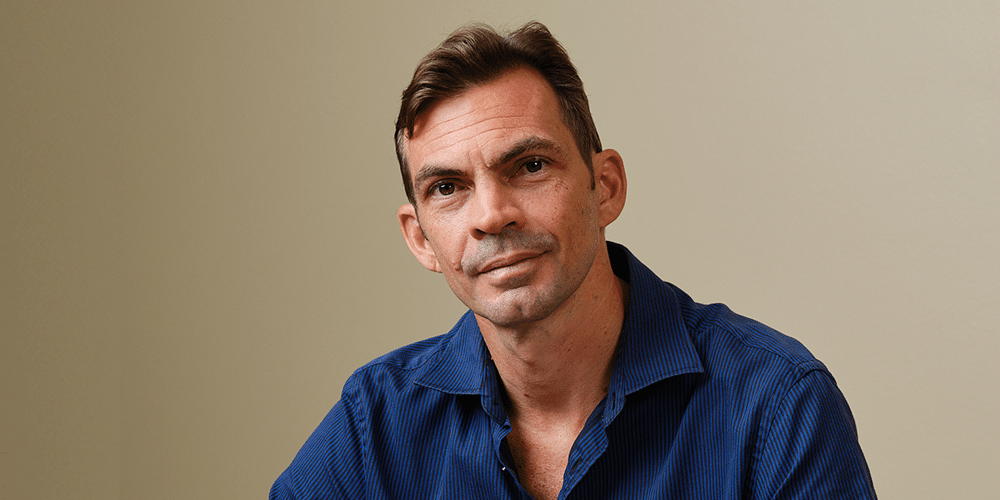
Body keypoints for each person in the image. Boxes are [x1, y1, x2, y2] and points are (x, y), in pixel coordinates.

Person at [270, 21, 876, 499]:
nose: (492, 215)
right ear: (421, 238)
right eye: (447, 188)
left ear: (604, 187)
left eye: (530, 166)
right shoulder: (376, 424)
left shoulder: (777, 405)